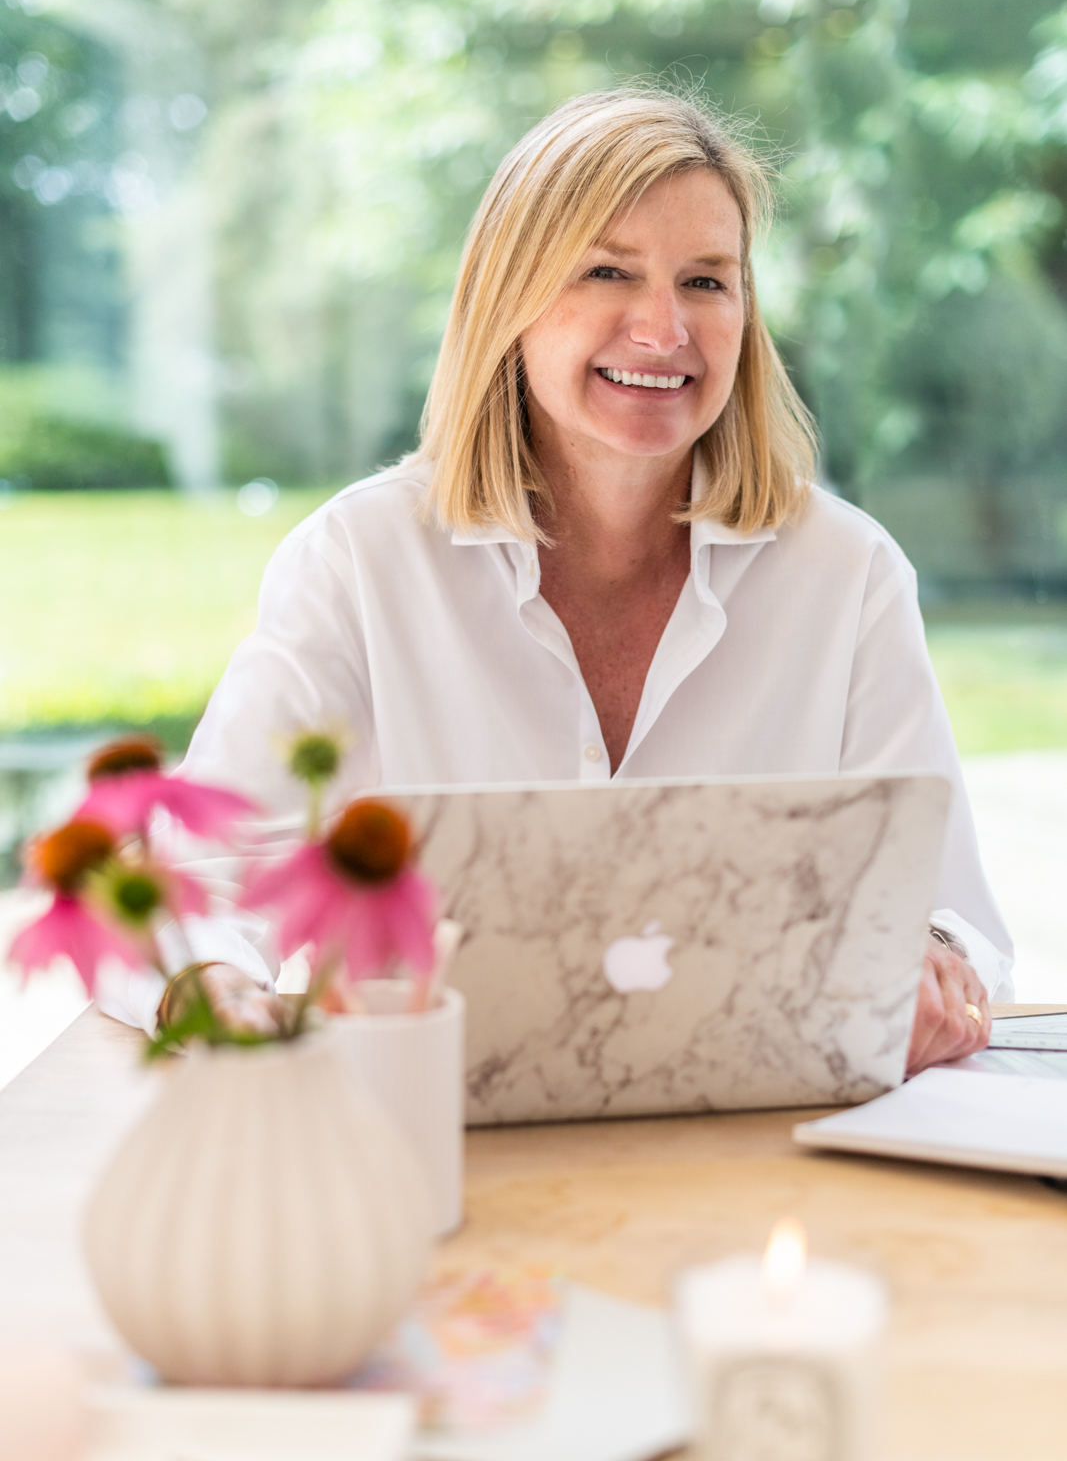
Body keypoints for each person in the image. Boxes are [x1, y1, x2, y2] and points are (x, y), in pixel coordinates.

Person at [97, 86, 1012, 1072]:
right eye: (607, 270)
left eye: (705, 281)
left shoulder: (847, 572)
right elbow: (193, 890)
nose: (663, 328)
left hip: (754, 1145)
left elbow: (948, 909)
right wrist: (214, 987)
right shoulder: (360, 564)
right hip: (436, 1146)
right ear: (510, 300)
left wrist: (932, 968)